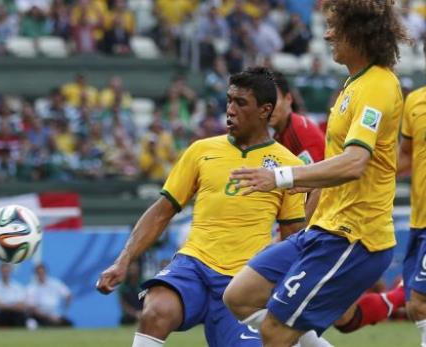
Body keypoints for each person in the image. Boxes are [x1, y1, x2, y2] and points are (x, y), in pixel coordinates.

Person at [223, 1, 407, 346]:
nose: (327, 34)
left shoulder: (378, 86)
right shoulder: (353, 85)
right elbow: (333, 167)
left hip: (355, 236)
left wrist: (280, 177)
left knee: (275, 332)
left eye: (335, 27)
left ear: (358, 32)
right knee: (239, 296)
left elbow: (354, 163)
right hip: (324, 228)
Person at [97, 67, 309, 347]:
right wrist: (123, 260)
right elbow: (162, 211)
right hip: (194, 266)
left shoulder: (288, 166)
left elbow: (292, 236)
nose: (230, 110)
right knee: (156, 310)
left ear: (264, 110)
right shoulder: (201, 151)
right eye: (229, 100)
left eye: (241, 103)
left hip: (244, 281)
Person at [396, 45, 426, 345]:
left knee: (419, 303)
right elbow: (405, 156)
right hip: (419, 220)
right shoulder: (415, 102)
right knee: (414, 306)